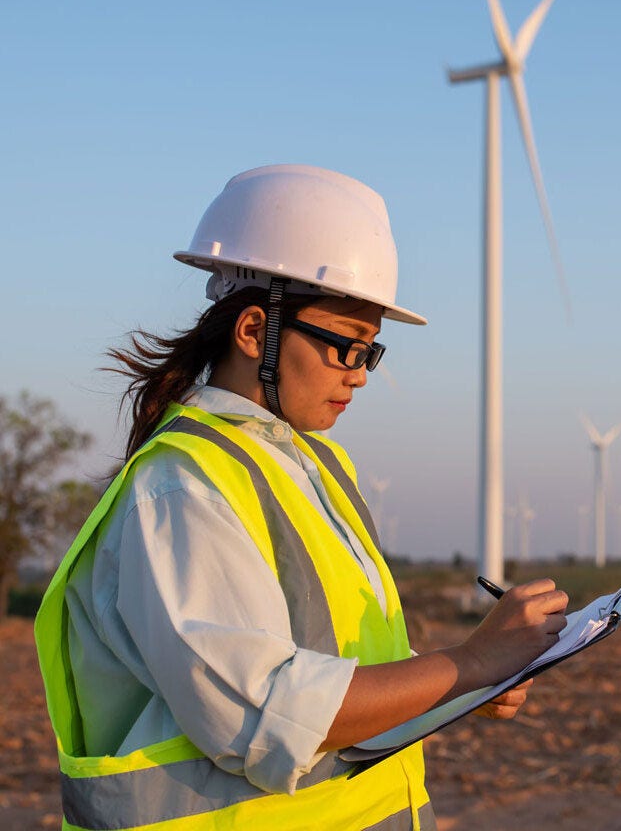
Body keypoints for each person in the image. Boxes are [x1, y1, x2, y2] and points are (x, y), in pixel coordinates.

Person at [35, 164, 569, 831]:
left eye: (370, 355)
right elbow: (263, 714)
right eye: (346, 347)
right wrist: (469, 662)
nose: (359, 377)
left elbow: (336, 669)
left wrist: (460, 684)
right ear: (254, 332)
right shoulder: (181, 487)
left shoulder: (312, 466)